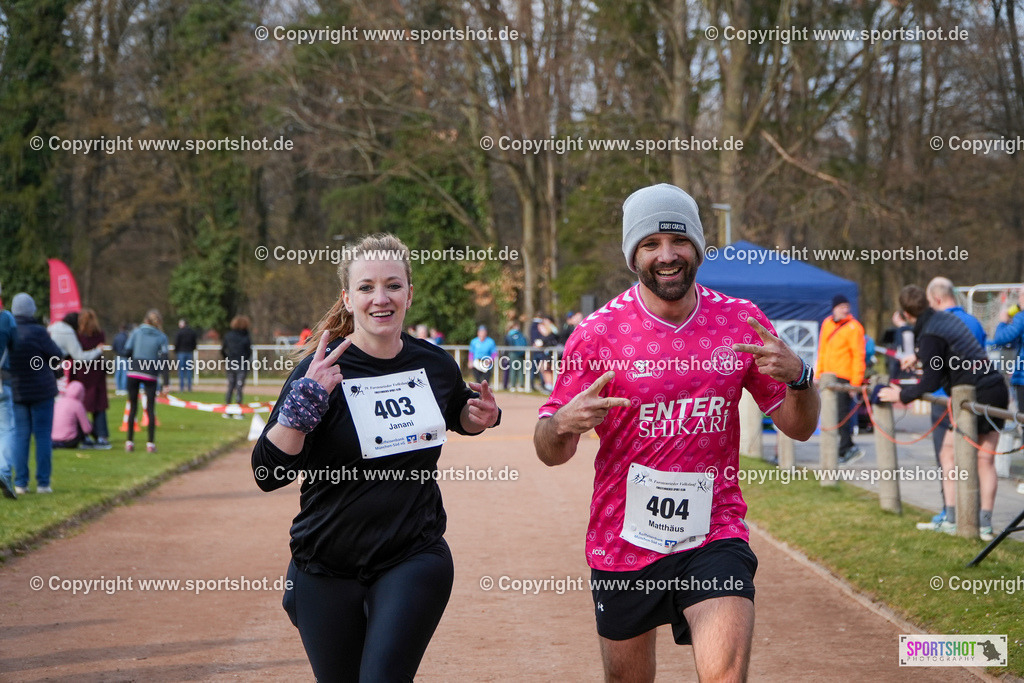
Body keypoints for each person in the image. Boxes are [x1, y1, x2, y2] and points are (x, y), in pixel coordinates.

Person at [533, 184, 819, 683]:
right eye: (650, 244)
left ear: (698, 248)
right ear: (633, 256)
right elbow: (550, 452)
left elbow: (800, 427)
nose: (667, 255)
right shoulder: (597, 334)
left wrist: (800, 376)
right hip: (623, 541)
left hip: (714, 532)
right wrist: (559, 425)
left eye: (678, 240)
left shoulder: (740, 321)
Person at [251, 233, 500, 682]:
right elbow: (268, 474)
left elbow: (458, 411)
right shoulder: (319, 373)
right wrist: (298, 413)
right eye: (366, 287)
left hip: (412, 554)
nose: (380, 298)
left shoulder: (435, 364)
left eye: (392, 285)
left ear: (410, 292)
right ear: (348, 298)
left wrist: (479, 415)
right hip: (325, 561)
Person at [878, 285, 1008, 541]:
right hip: (995, 386)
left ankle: (952, 518)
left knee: (949, 452)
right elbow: (948, 353)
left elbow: (930, 382)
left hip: (976, 392)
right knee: (985, 460)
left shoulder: (928, 333)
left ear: (905, 313)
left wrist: (900, 395)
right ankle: (983, 524)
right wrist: (919, 358)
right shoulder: (943, 318)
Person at [920, 277, 987, 528]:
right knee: (972, 456)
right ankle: (973, 515)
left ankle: (950, 514)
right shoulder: (974, 322)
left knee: (946, 457)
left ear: (936, 299)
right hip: (973, 396)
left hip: (943, 396)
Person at [8, 293, 64, 494]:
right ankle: (43, 483)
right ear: (31, 310)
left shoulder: (8, 332)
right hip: (42, 391)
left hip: (17, 391)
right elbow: (57, 354)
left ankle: (20, 483)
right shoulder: (38, 332)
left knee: (20, 437)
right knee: (42, 437)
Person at [815, 293, 866, 464]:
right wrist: (818, 374)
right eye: (842, 306)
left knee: (843, 414)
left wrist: (855, 383)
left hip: (845, 376)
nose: (845, 309)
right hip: (828, 376)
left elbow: (859, 356)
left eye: (847, 306)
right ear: (835, 308)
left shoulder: (855, 327)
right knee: (831, 414)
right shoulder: (827, 324)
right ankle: (842, 448)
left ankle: (847, 447)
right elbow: (822, 351)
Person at [124, 309, 169, 453]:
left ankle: (129, 442)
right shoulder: (162, 337)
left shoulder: (136, 332)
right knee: (150, 409)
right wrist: (166, 382)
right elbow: (164, 360)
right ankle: (150, 444)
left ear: (145, 320)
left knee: (133, 408)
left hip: (134, 370)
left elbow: (127, 351)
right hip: (150, 373)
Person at [74, 309, 111, 449]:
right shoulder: (100, 335)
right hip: (97, 371)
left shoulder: (78, 336)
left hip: (82, 373)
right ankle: (101, 435)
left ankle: (84, 434)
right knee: (99, 405)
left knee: (82, 405)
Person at [0, 290, 17, 499]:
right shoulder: (6, 318)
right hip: (2, 381)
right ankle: (3, 470)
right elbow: (16, 345)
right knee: (6, 429)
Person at [222, 315, 252, 416]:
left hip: (231, 363)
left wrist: (227, 358)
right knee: (239, 386)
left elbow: (223, 349)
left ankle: (227, 409)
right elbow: (249, 351)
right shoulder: (246, 336)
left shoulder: (228, 335)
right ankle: (239, 411)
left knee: (231, 385)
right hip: (241, 363)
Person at [51, 380, 92, 449]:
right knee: (82, 423)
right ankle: (95, 440)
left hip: (53, 439)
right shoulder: (77, 404)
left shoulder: (59, 402)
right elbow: (86, 429)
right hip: (70, 441)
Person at [174, 318, 198, 392]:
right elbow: (194, 343)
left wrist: (176, 350)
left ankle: (181, 388)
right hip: (189, 352)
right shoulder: (192, 332)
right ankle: (189, 388)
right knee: (189, 370)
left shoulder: (179, 333)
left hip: (181, 353)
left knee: (181, 370)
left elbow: (176, 343)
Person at [503, 321, 528, 391]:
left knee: (513, 370)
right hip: (521, 354)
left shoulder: (509, 335)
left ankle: (513, 386)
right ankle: (520, 385)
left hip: (513, 353)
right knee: (520, 370)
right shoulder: (521, 334)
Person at [112, 323, 131, 395]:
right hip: (124, 357)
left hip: (117, 357)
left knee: (118, 373)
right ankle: (123, 388)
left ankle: (118, 388)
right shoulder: (126, 337)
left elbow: (113, 347)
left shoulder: (116, 336)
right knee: (124, 373)